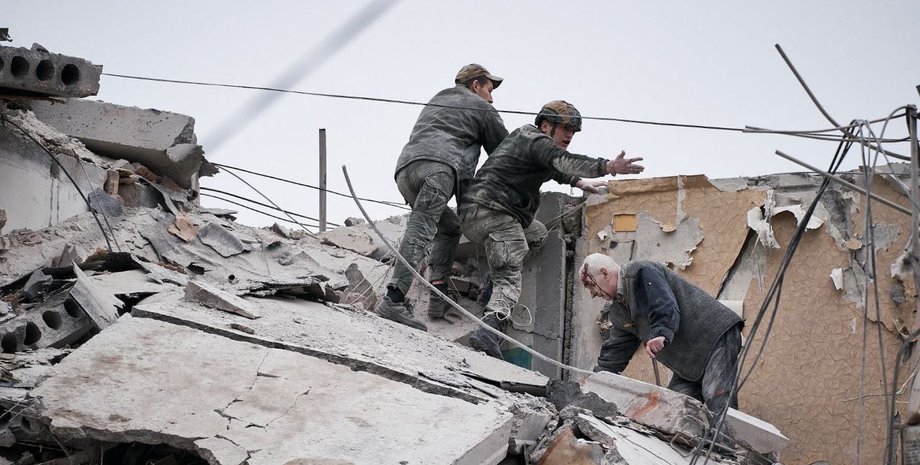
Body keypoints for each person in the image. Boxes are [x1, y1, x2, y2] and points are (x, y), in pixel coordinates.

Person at [460, 100, 644, 359]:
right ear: (546, 126)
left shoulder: (537, 148)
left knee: (536, 235)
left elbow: (555, 169)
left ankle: (490, 287)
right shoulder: (532, 138)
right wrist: (609, 167)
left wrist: (579, 183)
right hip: (490, 210)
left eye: (573, 130)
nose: (570, 134)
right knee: (510, 272)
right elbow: (560, 161)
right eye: (565, 128)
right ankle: (488, 332)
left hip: (490, 213)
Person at [375, 64, 509, 331]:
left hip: (406, 171)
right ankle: (393, 298)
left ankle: (438, 290)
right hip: (439, 170)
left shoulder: (438, 98)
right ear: (475, 86)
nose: (492, 98)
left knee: (449, 228)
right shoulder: (481, 107)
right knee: (420, 230)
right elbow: (506, 152)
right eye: (489, 90)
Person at [579, 252, 744, 418]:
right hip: (688, 359)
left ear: (604, 273)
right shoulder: (618, 311)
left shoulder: (639, 272)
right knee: (676, 410)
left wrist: (660, 333)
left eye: (590, 285)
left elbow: (664, 305)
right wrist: (596, 380)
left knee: (717, 401)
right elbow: (616, 351)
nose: (592, 294)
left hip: (713, 336)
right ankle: (699, 444)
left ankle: (724, 443)